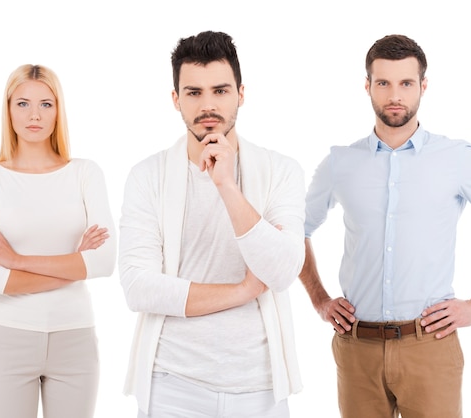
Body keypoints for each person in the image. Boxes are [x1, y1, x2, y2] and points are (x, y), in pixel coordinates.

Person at [298, 34, 471, 418]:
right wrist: (320, 300)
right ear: (367, 86)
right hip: (357, 349)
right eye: (384, 83)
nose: (395, 94)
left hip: (430, 347)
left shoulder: (457, 158)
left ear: (423, 86)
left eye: (406, 83)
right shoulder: (339, 163)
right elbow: (295, 231)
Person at [118, 30, 305, 418]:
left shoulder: (281, 171)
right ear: (176, 100)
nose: (208, 105)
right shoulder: (146, 176)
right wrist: (242, 290)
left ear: (241, 93)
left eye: (220, 91)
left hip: (260, 387)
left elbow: (284, 270)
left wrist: (227, 186)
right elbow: (139, 287)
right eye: (194, 93)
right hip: (172, 385)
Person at [0, 64, 116, 418]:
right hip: (8, 339)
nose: (34, 114)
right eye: (23, 103)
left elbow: (104, 262)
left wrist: (17, 260)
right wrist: (74, 264)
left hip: (75, 338)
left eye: (46, 104)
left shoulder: (85, 173)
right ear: (8, 109)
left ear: (58, 111)